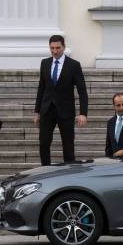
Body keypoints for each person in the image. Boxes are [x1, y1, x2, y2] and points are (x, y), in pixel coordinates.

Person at [34, 35, 88, 166]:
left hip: (66, 111)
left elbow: (82, 91)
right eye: (52, 48)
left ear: (63, 47)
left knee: (68, 145)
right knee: (43, 143)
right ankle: (45, 171)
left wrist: (83, 113)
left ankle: (69, 175)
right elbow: (41, 88)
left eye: (58, 48)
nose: (55, 51)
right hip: (47, 110)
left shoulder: (74, 65)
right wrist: (37, 112)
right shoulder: (45, 63)